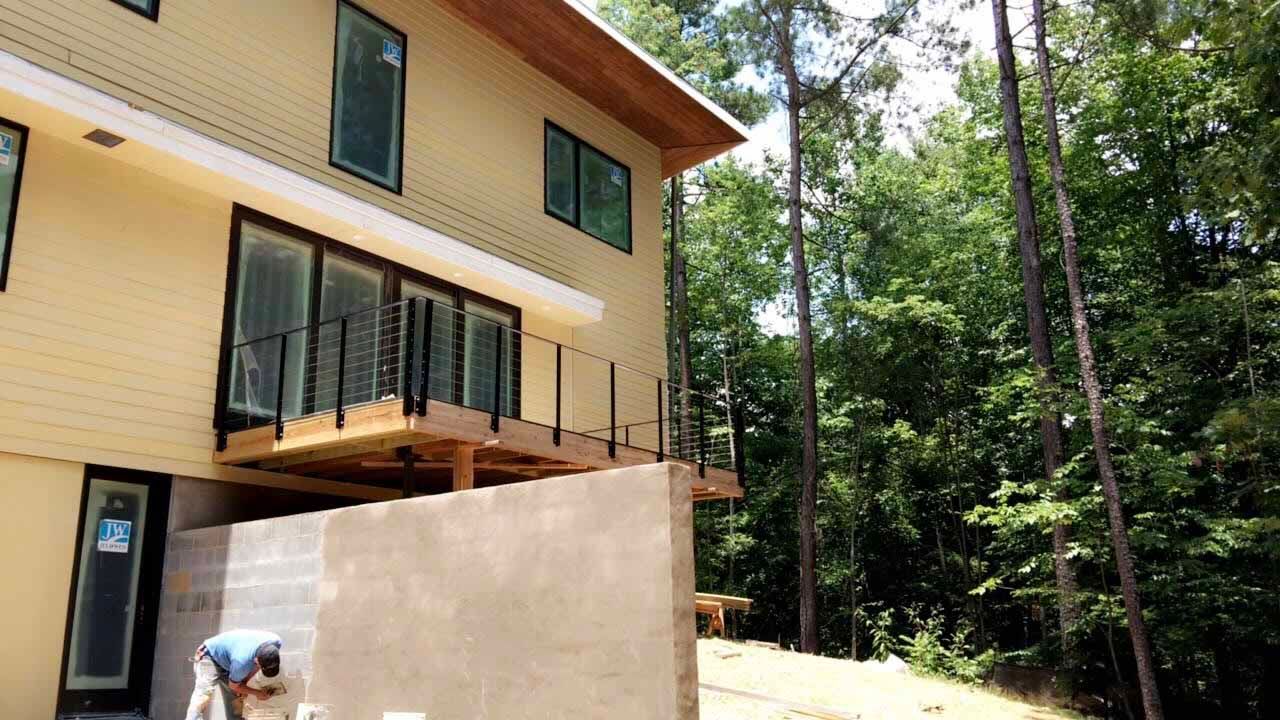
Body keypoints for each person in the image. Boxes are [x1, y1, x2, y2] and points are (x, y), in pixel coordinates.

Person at [183, 629, 282, 720]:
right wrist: (257, 693)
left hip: (229, 661)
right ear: (256, 660)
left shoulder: (276, 641)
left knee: (236, 702)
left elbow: (256, 667)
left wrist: (244, 683)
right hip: (209, 656)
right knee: (203, 697)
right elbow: (234, 685)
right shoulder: (241, 662)